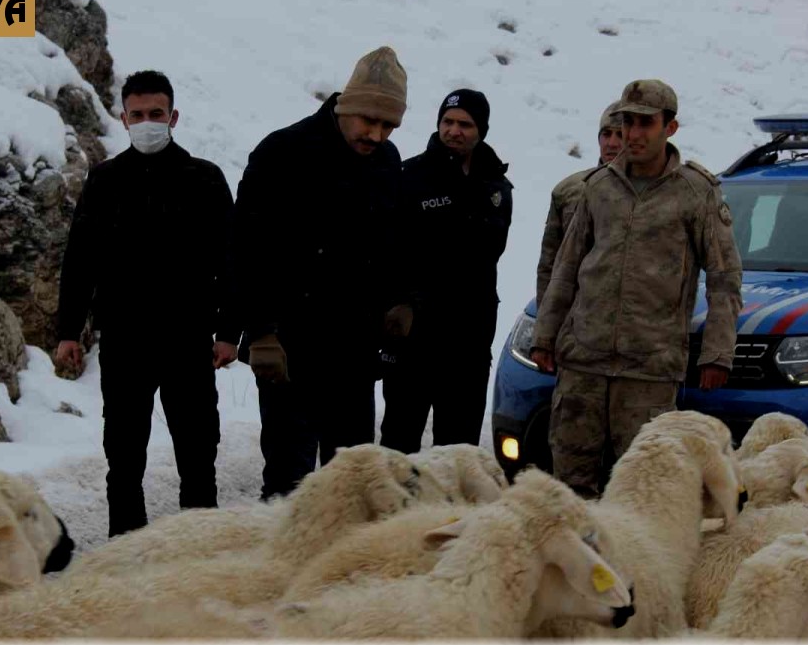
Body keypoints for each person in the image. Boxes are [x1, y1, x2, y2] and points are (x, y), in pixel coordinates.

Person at [529, 79, 743, 498]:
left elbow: (724, 277)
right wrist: (545, 336)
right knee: (570, 489)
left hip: (648, 370)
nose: (633, 134)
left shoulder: (696, 193)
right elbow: (567, 266)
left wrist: (718, 352)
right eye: (628, 122)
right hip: (583, 366)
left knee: (644, 491)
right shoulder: (598, 188)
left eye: (646, 123)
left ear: (670, 128)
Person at [55, 70, 240, 537]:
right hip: (124, 343)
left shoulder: (205, 179)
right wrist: (67, 331)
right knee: (123, 458)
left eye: (156, 114)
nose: (147, 122)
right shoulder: (105, 181)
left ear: (173, 116)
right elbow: (80, 261)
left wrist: (228, 332)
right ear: (123, 119)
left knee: (198, 455)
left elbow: (232, 261)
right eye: (137, 115)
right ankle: (127, 555)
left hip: (188, 341)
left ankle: (198, 550)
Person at [235, 46, 412, 500]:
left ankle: (342, 571)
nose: (376, 134)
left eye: (388, 125)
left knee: (353, 484)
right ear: (345, 106)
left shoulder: (389, 165)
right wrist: (260, 333)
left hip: (353, 351)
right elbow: (247, 249)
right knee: (288, 484)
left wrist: (399, 300)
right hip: (289, 348)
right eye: (368, 121)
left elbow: (392, 246)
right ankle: (279, 570)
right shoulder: (283, 153)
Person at [378, 88, 513, 454]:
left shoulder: (496, 186)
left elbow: (488, 254)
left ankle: (452, 514)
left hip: (468, 341)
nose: (454, 130)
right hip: (414, 340)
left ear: (481, 129)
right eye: (448, 122)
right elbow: (389, 254)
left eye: (465, 124)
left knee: (458, 453)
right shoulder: (409, 176)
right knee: (398, 447)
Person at [535, 101, 623, 308]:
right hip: (576, 317)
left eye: (620, 134)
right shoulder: (569, 191)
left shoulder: (659, 194)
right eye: (606, 134)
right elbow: (549, 266)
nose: (611, 143)